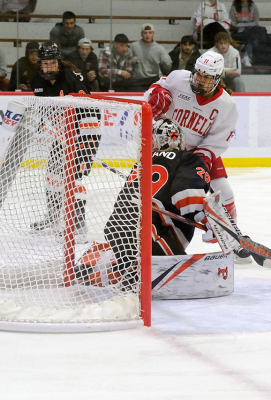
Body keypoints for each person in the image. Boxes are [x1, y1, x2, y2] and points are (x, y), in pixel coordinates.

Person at [74, 118, 212, 286]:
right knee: (143, 224)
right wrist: (207, 218)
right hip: (161, 229)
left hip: (132, 228)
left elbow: (122, 203)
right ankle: (137, 267)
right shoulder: (187, 158)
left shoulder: (142, 162)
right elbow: (188, 196)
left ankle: (131, 266)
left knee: (118, 224)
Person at [144, 50, 251, 263]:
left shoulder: (227, 106)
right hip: (165, 150)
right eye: (198, 74)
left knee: (224, 191)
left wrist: (197, 162)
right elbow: (155, 89)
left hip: (197, 153)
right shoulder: (177, 79)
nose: (200, 79)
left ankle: (232, 237)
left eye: (207, 77)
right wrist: (156, 93)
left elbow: (216, 142)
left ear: (217, 79)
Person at [29, 42, 100, 239]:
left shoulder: (71, 79)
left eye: (53, 63)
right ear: (40, 64)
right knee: (52, 175)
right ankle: (53, 217)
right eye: (45, 63)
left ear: (58, 63)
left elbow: (89, 109)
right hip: (62, 135)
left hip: (86, 133)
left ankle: (78, 223)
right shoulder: (37, 80)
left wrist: (85, 141)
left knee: (73, 178)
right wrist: (53, 129)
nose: (49, 67)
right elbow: (45, 110)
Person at [130, 24, 172, 92]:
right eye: (145, 33)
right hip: (137, 80)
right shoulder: (133, 46)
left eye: (150, 33)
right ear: (141, 34)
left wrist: (165, 63)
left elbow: (168, 65)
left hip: (152, 79)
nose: (148, 35)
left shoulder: (159, 48)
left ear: (153, 34)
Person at [229, 0, 260, 66]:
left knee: (251, 32)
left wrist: (243, 25)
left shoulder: (253, 6)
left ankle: (246, 55)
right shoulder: (234, 8)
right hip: (238, 31)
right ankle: (248, 55)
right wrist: (247, 25)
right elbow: (233, 23)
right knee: (250, 33)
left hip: (250, 30)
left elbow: (256, 22)